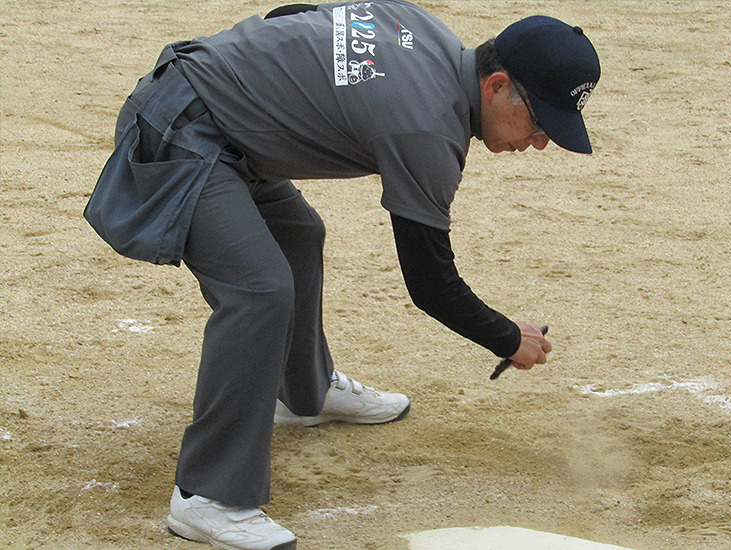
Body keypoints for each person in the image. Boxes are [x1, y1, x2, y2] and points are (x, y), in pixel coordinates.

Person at [83, 1, 600, 549]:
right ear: (496, 85)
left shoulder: (421, 28)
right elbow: (429, 282)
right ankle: (208, 497)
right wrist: (505, 336)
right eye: (542, 121)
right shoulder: (428, 128)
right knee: (260, 291)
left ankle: (305, 392)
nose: (541, 142)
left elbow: (296, 14)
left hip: (224, 123)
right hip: (183, 132)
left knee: (299, 236)